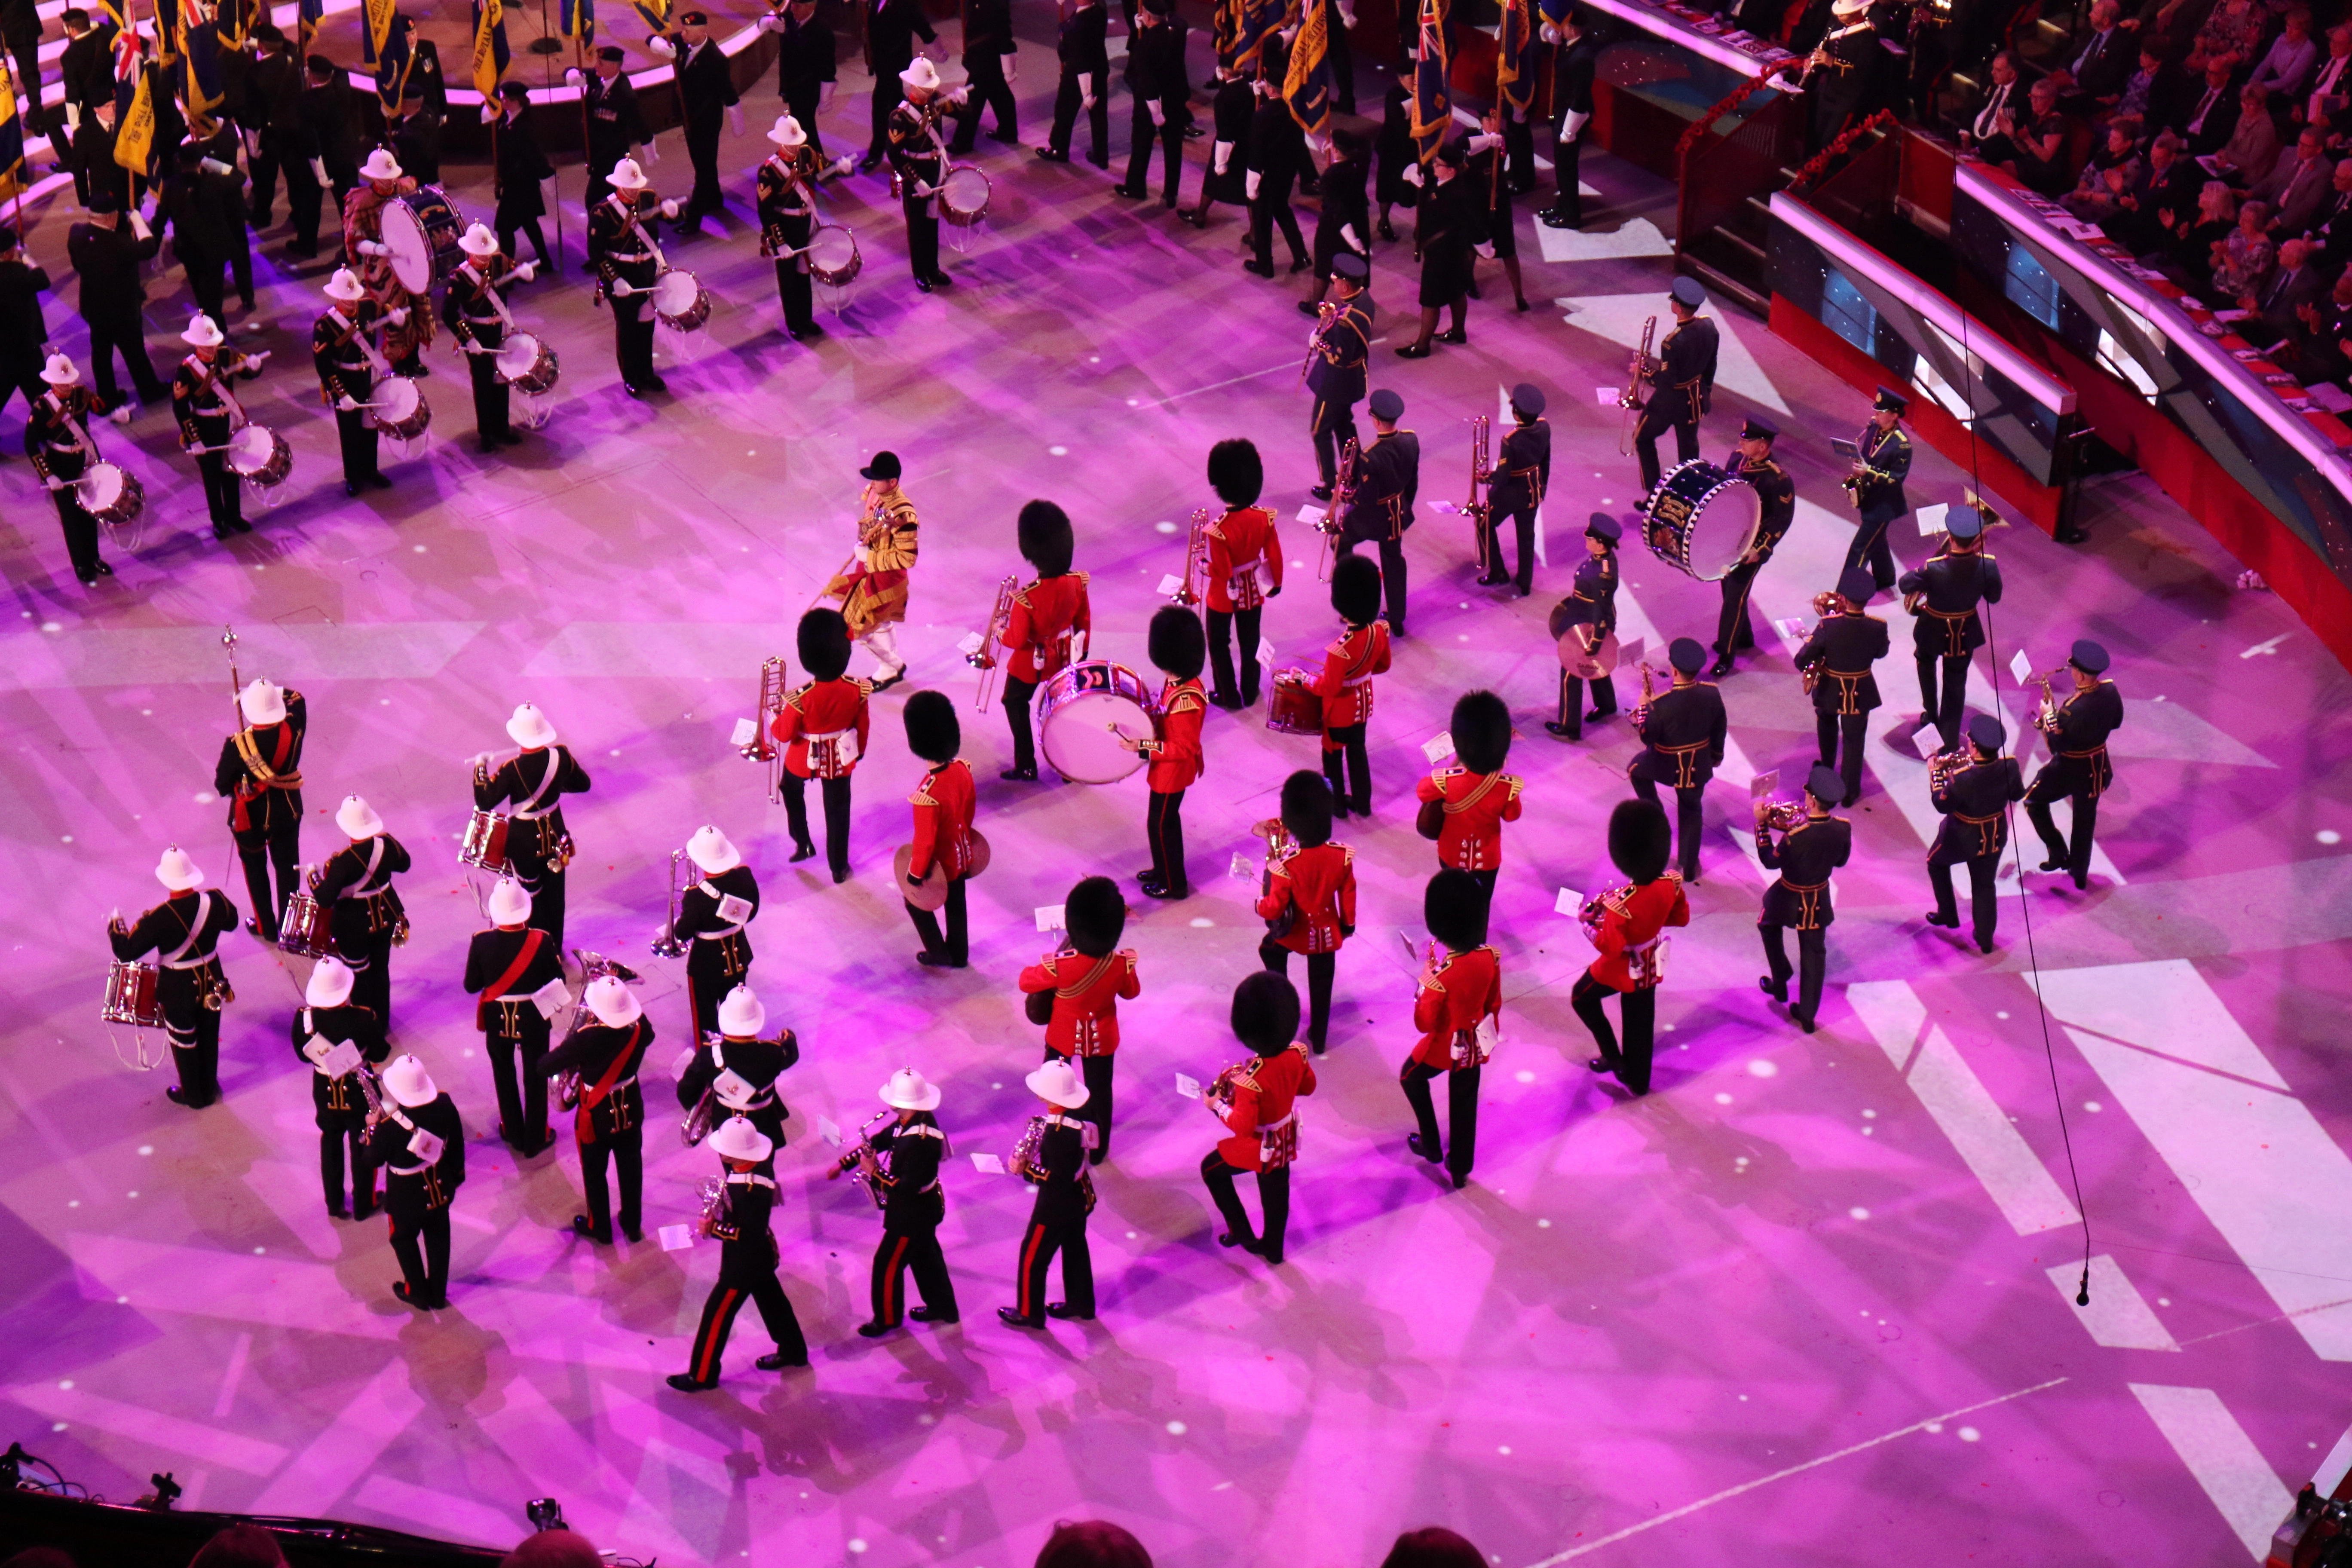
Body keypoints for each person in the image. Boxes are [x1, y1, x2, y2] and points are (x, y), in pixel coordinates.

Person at [669, 1115, 809, 1387]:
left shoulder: (749, 1190)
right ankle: (794, 1351)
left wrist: (713, 1228)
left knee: (716, 1315)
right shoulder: (756, 1170)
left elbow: (748, 1235)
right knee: (774, 1304)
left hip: (744, 1264)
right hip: (759, 1259)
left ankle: (702, 1375)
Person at [829, 1068, 959, 1334]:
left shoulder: (921, 1141)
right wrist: (844, 1164)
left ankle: (887, 1318)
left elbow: (907, 1189)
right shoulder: (909, 1122)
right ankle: (943, 1307)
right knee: (927, 1259)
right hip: (922, 1210)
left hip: (912, 1214)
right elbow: (878, 1142)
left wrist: (873, 1173)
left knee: (887, 1264)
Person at [108, 846, 239, 1108]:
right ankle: (209, 1085)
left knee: (183, 1039)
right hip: (212, 978)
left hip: (177, 987)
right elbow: (232, 922)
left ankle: (194, 1095)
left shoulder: (159, 918)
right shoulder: (215, 900)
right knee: (209, 1033)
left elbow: (126, 952)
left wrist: (116, 927)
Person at [1020, 875, 1140, 1158]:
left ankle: (1058, 1137)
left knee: (1053, 1087)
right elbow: (1131, 992)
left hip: (1062, 1034)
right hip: (1103, 1037)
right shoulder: (1121, 964)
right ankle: (1099, 1149)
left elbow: (1026, 982)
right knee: (1101, 1094)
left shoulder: (1059, 966)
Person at [1574, 799, 1686, 1097]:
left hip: (1623, 966)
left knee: (1581, 998)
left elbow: (1609, 948)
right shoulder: (1671, 883)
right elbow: (1681, 917)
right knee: (1640, 1023)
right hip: (1651, 962)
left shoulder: (1622, 905)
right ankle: (1638, 1081)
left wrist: (1587, 924)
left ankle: (1612, 1054)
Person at [1201, 971, 1317, 1257]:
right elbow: (1308, 1087)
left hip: (1259, 1145)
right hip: (1286, 1140)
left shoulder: (1250, 1081)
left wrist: (1216, 1104)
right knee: (1276, 1195)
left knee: (1211, 1171)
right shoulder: (1298, 1053)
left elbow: (1242, 1126)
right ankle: (1274, 1249)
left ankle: (1242, 1233)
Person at [1400, 868, 1499, 1188]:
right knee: (1464, 1104)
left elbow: (1424, 1023)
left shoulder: (1443, 975)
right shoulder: (1490, 957)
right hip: (1476, 1043)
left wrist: (1425, 983)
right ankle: (1460, 1169)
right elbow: (1493, 1002)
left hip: (1445, 1046)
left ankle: (1431, 1143)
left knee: (1410, 1076)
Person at [543, 974, 652, 1246]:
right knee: (631, 1167)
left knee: (594, 1172)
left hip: (597, 1115)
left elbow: (545, 1066)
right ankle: (632, 1224)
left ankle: (600, 1227)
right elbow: (648, 1036)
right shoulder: (639, 1027)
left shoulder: (586, 1038)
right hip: (630, 1107)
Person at [475, 702, 593, 950]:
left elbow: (484, 801)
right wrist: (555, 787)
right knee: (556, 896)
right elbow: (582, 785)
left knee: (533, 896)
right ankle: (556, 947)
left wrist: (480, 768)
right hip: (556, 837)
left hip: (523, 843)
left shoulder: (511, 769)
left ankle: (541, 950)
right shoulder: (561, 756)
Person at [1256, 771, 1355, 1052]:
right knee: (1323, 982)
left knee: (1270, 951)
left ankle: (1285, 1010)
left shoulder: (1287, 866)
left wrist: (1258, 903)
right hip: (1326, 934)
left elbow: (1274, 908)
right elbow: (1348, 895)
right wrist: (1347, 927)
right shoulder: (1341, 856)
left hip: (1293, 934)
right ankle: (1320, 1037)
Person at [466, 875, 565, 1154]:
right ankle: (536, 1137)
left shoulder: (481, 941)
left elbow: (471, 985)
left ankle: (512, 1129)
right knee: (536, 1076)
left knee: (503, 1072)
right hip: (534, 1016)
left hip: (497, 1018)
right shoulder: (542, 940)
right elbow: (558, 980)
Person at [772, 607, 871, 882]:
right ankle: (838, 868)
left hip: (802, 758)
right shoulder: (857, 689)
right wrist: (858, 753)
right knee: (838, 812)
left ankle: (802, 841)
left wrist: (773, 716)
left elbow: (784, 734)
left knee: (790, 788)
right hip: (841, 759)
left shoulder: (800, 698)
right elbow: (862, 727)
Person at [999, 1057, 1098, 1328]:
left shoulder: (1058, 1133)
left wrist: (1025, 1169)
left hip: (1055, 1206)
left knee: (1033, 1255)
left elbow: (1057, 1179)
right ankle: (1082, 1304)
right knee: (1075, 1251)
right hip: (1078, 1199)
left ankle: (1030, 1312)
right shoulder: (1078, 1119)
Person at [997, 499, 1091, 782]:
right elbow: (1083, 622)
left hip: (1030, 661)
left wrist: (1000, 629)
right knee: (1062, 711)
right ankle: (1066, 767)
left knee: (1014, 702)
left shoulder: (1028, 597)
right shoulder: (1077, 583)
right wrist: (1080, 656)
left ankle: (1026, 764)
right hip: (1063, 656)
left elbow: (1016, 640)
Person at [1755, 763, 1852, 1033]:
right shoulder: (1843, 828)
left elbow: (1769, 862)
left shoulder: (1795, 837)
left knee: (1767, 926)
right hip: (1818, 898)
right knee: (1814, 955)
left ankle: (1781, 976)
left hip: (1789, 895)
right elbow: (1842, 861)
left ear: (1810, 798)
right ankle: (1808, 1014)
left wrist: (1762, 826)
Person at [1899, 502, 2003, 752]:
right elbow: (1994, 597)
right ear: (1975, 539)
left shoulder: (1933, 568)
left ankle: (1930, 714)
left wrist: (1926, 567)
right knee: (1956, 681)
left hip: (1932, 628)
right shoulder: (1988, 565)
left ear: (1951, 536)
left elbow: (1904, 585)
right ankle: (1949, 738)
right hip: (1965, 631)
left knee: (1926, 663)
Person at [2024, 638, 2124, 890]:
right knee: (2085, 822)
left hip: (2070, 770)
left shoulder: (2072, 710)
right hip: (2098, 767)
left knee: (2033, 801)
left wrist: (2047, 717)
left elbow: (2058, 748)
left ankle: (2058, 851)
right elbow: (2116, 723)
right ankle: (2079, 873)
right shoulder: (2111, 692)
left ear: (2080, 674)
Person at [293, 956, 386, 1219]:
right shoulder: (364, 1018)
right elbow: (380, 1052)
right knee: (362, 1143)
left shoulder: (304, 1020)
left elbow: (302, 1055)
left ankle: (334, 1203)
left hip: (324, 1089)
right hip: (359, 1092)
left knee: (330, 1143)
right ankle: (363, 1204)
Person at [1626, 638, 1726, 884]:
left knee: (1636, 771)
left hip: (1665, 765)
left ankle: (1657, 818)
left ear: (1674, 670)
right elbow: (1719, 728)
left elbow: (1648, 738)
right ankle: (1689, 867)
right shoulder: (1712, 693)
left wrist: (1643, 709)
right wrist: (1715, 757)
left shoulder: (1659, 706)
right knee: (1692, 809)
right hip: (1699, 764)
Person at [369, 1054, 466, 1308]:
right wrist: (456, 1175)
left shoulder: (389, 1128)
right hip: (440, 1185)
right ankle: (437, 1293)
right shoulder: (445, 1103)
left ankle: (417, 1292)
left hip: (405, 1197)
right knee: (439, 1238)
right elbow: (456, 1141)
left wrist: (372, 1129)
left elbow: (371, 1159)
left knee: (403, 1239)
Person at [215, 677, 307, 942]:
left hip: (252, 817)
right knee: (288, 869)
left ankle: (267, 927)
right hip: (288, 809)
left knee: (256, 871)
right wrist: (273, 692)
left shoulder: (238, 744)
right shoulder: (295, 725)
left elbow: (222, 785)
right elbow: (298, 698)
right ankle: (289, 926)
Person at [1927, 713, 2024, 954]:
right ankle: (1985, 938)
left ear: (1975, 747)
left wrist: (1936, 775)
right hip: (1994, 834)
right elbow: (2017, 795)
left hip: (1963, 837)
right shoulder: (2009, 766)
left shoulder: (1963, 778)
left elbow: (1942, 805)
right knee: (1984, 885)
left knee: (1935, 863)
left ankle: (1948, 914)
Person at [824, 450, 921, 685]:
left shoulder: (905, 515)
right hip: (867, 568)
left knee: (859, 626)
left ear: (893, 482)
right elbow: (867, 520)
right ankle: (890, 666)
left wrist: (870, 556)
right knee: (881, 622)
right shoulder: (875, 493)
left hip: (886, 579)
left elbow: (907, 558)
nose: (872, 483)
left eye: (877, 479)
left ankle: (892, 665)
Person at [1795, 567, 1890, 807]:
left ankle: (1827, 771)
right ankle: (1849, 792)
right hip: (1861, 689)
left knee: (1827, 724)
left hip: (1830, 687)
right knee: (1855, 740)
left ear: (1843, 599)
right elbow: (1881, 653)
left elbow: (1801, 660)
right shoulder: (1878, 626)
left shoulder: (1828, 626)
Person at [67, 191, 168, 416]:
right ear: (111, 217)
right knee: (135, 353)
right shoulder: (119, 244)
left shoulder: (77, 234)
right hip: (121, 311)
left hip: (94, 307)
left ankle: (107, 398)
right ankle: (150, 391)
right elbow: (148, 248)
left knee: (101, 354)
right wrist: (138, 220)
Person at [1415, 689, 1522, 898]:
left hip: (1451, 853)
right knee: (1482, 906)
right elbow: (1512, 815)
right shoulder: (1507, 787)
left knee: (1452, 903)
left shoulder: (1446, 780)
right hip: (1488, 859)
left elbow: (1422, 791)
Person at [314, 793, 410, 1026]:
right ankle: (382, 1022)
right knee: (380, 971)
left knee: (358, 975)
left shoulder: (343, 862)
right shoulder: (386, 845)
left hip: (353, 926)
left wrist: (312, 878)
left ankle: (365, 1027)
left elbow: (326, 899)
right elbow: (405, 864)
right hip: (387, 918)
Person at [588, 157, 680, 398]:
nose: (634, 191)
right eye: (629, 187)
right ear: (618, 186)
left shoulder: (648, 198)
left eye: (636, 186)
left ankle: (646, 372)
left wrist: (673, 212)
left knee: (647, 326)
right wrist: (614, 279)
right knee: (628, 328)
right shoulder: (603, 212)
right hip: (622, 275)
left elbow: (670, 218)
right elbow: (596, 253)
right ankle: (631, 376)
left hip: (647, 272)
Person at [1201, 438, 1283, 708]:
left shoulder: (1218, 529)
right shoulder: (1264, 517)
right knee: (1251, 642)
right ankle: (1250, 691)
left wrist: (1204, 567)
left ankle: (1228, 695)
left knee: (1218, 645)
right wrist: (1276, 584)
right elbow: (1274, 554)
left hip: (1223, 596)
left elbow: (1223, 570)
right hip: (1254, 590)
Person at [441, 224, 534, 456]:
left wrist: (526, 274)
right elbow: (448, 313)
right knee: (483, 384)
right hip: (477, 334)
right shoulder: (459, 277)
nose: (483, 259)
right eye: (479, 255)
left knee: (501, 379)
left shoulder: (499, 263)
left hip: (498, 330)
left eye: (486, 254)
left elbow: (522, 274)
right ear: (470, 253)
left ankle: (502, 428)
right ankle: (486, 433)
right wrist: (467, 338)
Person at [1712, 415, 1795, 676]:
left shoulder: (1777, 479)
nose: (1741, 442)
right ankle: (1743, 637)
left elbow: (1782, 520)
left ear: (1763, 446)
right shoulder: (1738, 460)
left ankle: (1727, 654)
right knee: (1729, 590)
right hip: (1731, 541)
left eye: (1749, 440)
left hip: (1751, 548)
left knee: (1734, 598)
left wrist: (1762, 549)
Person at [1134, 607, 1207, 898]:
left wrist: (1143, 747)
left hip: (1172, 772)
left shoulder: (1187, 698)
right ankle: (1162, 868)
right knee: (1159, 823)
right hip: (1165, 770)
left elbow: (1184, 747)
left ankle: (1173, 883)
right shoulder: (1177, 681)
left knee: (1162, 825)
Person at [902, 690, 979, 968]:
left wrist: (915, 874)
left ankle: (938, 951)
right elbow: (969, 810)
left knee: (913, 902)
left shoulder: (927, 794)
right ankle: (960, 954)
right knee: (957, 904)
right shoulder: (962, 770)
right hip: (962, 851)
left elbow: (924, 843)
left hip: (942, 860)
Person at [679, 983, 799, 1159]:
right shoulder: (773, 1052)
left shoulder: (708, 1053)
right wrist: (788, 1036)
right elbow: (792, 1053)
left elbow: (686, 1092)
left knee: (730, 1164)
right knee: (764, 1166)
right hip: (764, 1123)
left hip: (725, 1122)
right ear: (757, 1020)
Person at [1311, 554, 1391, 816]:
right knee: (1358, 754)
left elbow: (1330, 687)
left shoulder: (1340, 649)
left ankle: (1337, 806)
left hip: (1340, 713)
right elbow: (1383, 666)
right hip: (1363, 705)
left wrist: (1307, 680)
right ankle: (1363, 804)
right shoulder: (1380, 631)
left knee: (1332, 759)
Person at [342, 150, 434, 378]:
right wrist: (378, 249)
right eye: (383, 177)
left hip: (410, 257)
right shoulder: (362, 200)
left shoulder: (406, 189)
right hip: (383, 265)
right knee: (396, 311)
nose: (389, 181)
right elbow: (356, 239)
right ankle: (399, 361)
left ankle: (414, 359)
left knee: (419, 305)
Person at [24, 354, 113, 586]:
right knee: (71, 517)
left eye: (68, 382)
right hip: (59, 464)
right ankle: (81, 564)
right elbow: (30, 443)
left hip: (83, 459)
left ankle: (93, 557)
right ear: (51, 383)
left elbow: (100, 408)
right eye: (60, 383)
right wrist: (48, 474)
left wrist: (117, 413)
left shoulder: (80, 394)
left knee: (89, 511)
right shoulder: (43, 407)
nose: (66, 386)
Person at [652, 11, 741, 236]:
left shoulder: (716, 59)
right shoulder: (683, 45)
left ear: (703, 30)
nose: (683, 34)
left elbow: (727, 91)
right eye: (682, 29)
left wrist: (737, 120)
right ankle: (714, 198)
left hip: (707, 121)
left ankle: (693, 219)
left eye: (688, 30)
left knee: (702, 169)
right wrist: (661, 47)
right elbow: (653, 39)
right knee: (705, 165)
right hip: (689, 120)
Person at [673, 824, 761, 1040]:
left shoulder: (696, 895)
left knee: (705, 1018)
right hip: (739, 955)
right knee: (737, 1011)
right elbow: (752, 912)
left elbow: (683, 933)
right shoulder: (745, 876)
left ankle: (710, 1055)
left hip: (706, 965)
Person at [1337, 388, 1414, 631]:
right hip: (1398, 511)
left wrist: (1347, 495)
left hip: (1375, 518)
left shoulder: (1370, 457)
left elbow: (1366, 500)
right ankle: (1397, 618)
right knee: (1393, 560)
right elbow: (1413, 481)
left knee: (1340, 540)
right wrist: (1404, 506)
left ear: (1376, 421)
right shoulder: (1411, 440)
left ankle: (1350, 606)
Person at [1632, 277, 1717, 493]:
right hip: (1695, 399)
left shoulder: (1672, 342)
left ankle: (1653, 494)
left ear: (1678, 307)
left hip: (1670, 404)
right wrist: (1706, 392)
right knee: (1689, 451)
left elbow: (1667, 382)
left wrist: (1643, 371)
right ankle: (1688, 493)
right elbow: (1711, 365)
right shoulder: (1709, 326)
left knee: (1642, 438)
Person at [157, 143, 255, 330]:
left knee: (200, 292)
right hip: (214, 249)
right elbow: (240, 177)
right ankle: (216, 327)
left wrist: (155, 250)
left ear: (179, 162)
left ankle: (208, 322)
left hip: (188, 248)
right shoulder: (213, 183)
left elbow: (160, 218)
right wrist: (212, 163)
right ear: (200, 163)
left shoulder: (171, 187)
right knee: (214, 294)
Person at [313, 267, 392, 495]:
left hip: (368, 375)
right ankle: (353, 476)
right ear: (336, 297)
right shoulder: (324, 325)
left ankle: (371, 470)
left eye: (353, 298)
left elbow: (387, 314)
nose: (350, 303)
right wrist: (340, 393)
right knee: (349, 431)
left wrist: (395, 320)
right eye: (345, 299)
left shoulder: (367, 307)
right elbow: (323, 365)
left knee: (370, 425)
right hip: (345, 379)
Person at [1395, 141, 1475, 356]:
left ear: (1451, 170)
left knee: (1430, 299)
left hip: (1444, 253)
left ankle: (1422, 345)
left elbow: (1448, 215)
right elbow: (1418, 177)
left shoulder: (1456, 194)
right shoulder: (1442, 183)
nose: (1433, 167)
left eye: (1438, 164)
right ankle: (1459, 331)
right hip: (1451, 253)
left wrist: (1423, 191)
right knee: (1456, 292)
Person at [1547, 513, 1622, 739]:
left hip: (1588, 626)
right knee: (1596, 664)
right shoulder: (1601, 560)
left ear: (1601, 544)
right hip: (1580, 615)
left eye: (1590, 539)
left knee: (1571, 671)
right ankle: (1607, 704)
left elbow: (1602, 609)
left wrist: (1596, 640)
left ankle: (1570, 725)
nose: (1586, 540)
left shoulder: (1603, 574)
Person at [888, 58, 959, 292]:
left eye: (930, 87)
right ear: (912, 87)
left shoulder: (936, 100)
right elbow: (896, 155)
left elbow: (962, 113)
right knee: (917, 227)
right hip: (914, 174)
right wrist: (915, 181)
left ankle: (933, 267)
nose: (929, 91)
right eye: (924, 87)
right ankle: (920, 272)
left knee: (932, 221)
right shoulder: (900, 117)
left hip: (935, 168)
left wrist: (962, 100)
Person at [756, 115, 826, 343]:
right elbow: (766, 212)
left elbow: (822, 170)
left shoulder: (807, 155)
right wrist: (779, 241)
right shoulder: (768, 172)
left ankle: (806, 318)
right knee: (788, 279)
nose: (796, 147)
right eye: (791, 143)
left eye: (797, 143)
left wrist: (840, 169)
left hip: (805, 223)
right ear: (780, 143)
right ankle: (793, 323)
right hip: (784, 228)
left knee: (804, 274)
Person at [574, 46, 651, 246]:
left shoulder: (625, 95)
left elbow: (640, 124)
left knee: (598, 204)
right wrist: (572, 75)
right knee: (601, 205)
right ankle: (609, 241)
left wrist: (649, 147)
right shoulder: (599, 80)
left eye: (601, 63)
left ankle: (604, 245)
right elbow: (576, 71)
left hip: (611, 160)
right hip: (596, 157)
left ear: (615, 67)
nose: (596, 66)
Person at [1244, 46, 1309, 277]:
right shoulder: (1294, 111)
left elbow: (1257, 151)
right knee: (1282, 210)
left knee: (1262, 219)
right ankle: (1301, 255)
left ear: (1269, 88)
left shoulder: (1262, 116)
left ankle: (1265, 264)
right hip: (1287, 171)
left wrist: (1252, 183)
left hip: (1267, 176)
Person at [1482, 382, 1550, 595]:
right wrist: (1542, 487)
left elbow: (1503, 477)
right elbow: (1546, 460)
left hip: (1511, 494)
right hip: (1533, 489)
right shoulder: (1545, 427)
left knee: (1484, 523)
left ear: (1516, 413)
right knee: (1526, 536)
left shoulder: (1510, 441)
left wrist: (1487, 479)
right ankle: (1525, 582)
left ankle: (1498, 571)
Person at [1117, 0, 1187, 205]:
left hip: (1151, 105)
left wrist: (1156, 111)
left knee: (1141, 144)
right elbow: (1177, 24)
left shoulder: (1143, 46)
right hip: (1175, 98)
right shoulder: (1178, 32)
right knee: (1173, 148)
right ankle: (1171, 194)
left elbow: (1147, 82)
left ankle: (1136, 187)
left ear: (1146, 16)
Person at [1844, 386, 1911, 592]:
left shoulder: (1902, 445)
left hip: (1885, 506)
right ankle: (1886, 577)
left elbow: (1896, 479)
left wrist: (1868, 471)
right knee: (1877, 540)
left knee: (1860, 549)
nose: (1876, 415)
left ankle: (1845, 595)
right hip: (1870, 498)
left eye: (1881, 412)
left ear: (1894, 415)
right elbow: (1867, 453)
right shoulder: (1874, 428)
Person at [1300, 138, 1372, 327]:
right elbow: (1365, 147)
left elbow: (1336, 208)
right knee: (1355, 268)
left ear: (1338, 152)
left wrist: (1352, 239)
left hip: (1334, 228)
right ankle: (1358, 309)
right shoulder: (1360, 165)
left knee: (1324, 266)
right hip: (1359, 221)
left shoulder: (1331, 175)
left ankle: (1316, 304)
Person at [861, 0, 938, 172]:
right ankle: (908, 144)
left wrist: (937, 48)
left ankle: (879, 151)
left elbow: (921, 25)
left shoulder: (906, 3)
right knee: (897, 105)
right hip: (883, 64)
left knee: (883, 105)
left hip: (895, 63)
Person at [1538, 7, 1596, 230]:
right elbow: (1549, 36)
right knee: (1561, 166)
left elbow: (1580, 97)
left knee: (1567, 167)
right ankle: (1563, 205)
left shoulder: (1582, 57)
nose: (1559, 28)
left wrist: (1569, 131)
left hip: (1573, 118)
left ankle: (1572, 215)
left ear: (1572, 30)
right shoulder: (1572, 46)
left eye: (1563, 25)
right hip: (1563, 113)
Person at [492, 83, 557, 273]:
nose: (502, 101)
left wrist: (546, 175)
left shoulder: (524, 127)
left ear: (516, 102)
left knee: (504, 227)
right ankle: (545, 261)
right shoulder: (508, 119)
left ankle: (508, 269)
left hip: (520, 186)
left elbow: (535, 155)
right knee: (529, 222)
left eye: (505, 99)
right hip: (514, 183)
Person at [1467, 112, 1528, 314]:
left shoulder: (1505, 139)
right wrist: (1487, 141)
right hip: (1477, 200)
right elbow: (1462, 146)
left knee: (1509, 251)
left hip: (1500, 199)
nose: (1494, 123)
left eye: (1497, 119)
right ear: (1481, 122)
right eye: (1489, 120)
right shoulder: (1470, 136)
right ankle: (1468, 282)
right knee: (1472, 246)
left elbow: (1520, 144)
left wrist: (1500, 141)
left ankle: (1519, 295)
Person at [1039, 0, 1110, 169]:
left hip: (1078, 73)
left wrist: (1086, 93)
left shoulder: (1077, 26)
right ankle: (1101, 155)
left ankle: (1059, 149)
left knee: (1064, 111)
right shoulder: (1100, 10)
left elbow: (1081, 63)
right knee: (1099, 115)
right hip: (1099, 67)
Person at [770, 0, 843, 162]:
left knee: (804, 127)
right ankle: (814, 162)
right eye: (793, 4)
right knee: (804, 125)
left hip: (808, 89)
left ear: (811, 6)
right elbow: (769, 21)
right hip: (792, 86)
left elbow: (828, 67)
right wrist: (769, 22)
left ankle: (814, 162)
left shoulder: (822, 31)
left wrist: (825, 99)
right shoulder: (791, 19)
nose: (793, 8)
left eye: (798, 5)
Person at [300, 54, 362, 245]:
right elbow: (341, 72)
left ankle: (307, 245)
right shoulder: (342, 87)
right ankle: (353, 247)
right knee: (348, 206)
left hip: (325, 161)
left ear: (312, 76)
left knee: (310, 204)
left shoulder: (307, 102)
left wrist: (320, 173)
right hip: (346, 154)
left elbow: (312, 141)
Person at [1185, 62, 1254, 230]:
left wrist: (1221, 161)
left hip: (1229, 146)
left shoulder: (1223, 98)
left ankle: (1201, 215)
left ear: (1226, 74)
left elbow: (1224, 130)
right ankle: (1254, 231)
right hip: (1249, 144)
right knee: (1250, 188)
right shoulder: (1250, 89)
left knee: (1215, 179)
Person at [0, 224, 51, 438]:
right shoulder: (19, 274)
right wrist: (28, 259)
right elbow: (42, 280)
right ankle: (49, 432)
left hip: (3, 351)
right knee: (41, 397)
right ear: (9, 252)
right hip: (25, 348)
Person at [948, 0, 1017, 153]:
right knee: (998, 90)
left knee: (973, 96)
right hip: (982, 51)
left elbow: (1003, 28)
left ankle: (962, 143)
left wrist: (1008, 60)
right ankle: (1008, 131)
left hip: (987, 52)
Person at [1373, 65, 1418, 240]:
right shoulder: (1394, 95)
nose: (1415, 81)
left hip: (1414, 149)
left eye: (1417, 77)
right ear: (1400, 78)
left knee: (1419, 188)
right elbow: (1396, 117)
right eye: (1411, 77)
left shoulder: (1426, 92)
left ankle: (1420, 227)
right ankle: (1384, 221)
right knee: (1388, 188)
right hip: (1393, 149)